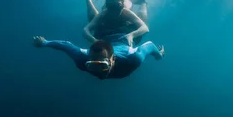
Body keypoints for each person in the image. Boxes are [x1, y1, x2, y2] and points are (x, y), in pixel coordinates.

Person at [32, 34, 164, 80]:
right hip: (103, 37)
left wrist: (158, 55)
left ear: (112, 60)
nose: (96, 70)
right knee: (96, 17)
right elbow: (66, 45)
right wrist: (44, 43)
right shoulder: (81, 60)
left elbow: (149, 45)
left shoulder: (132, 60)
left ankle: (141, 2)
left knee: (137, 16)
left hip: (124, 36)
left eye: (102, 65)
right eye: (92, 65)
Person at [81, 0, 149, 45]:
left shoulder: (125, 11)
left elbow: (145, 28)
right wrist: (94, 40)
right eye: (111, 9)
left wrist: (132, 35)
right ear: (107, 7)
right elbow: (85, 30)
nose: (114, 13)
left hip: (118, 7)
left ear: (122, 7)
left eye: (117, 9)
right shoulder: (105, 13)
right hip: (116, 8)